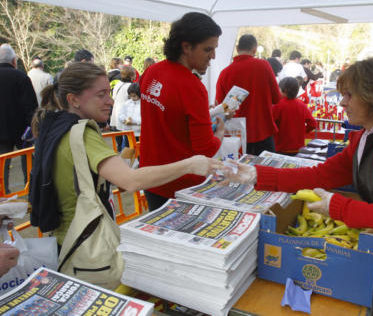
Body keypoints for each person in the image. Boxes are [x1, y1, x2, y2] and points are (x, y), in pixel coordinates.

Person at [224, 56, 373, 315]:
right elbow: (317, 175)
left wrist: (338, 207)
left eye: (349, 95)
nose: (342, 102)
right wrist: (255, 174)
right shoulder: (365, 137)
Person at [29, 62, 224, 246]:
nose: (110, 101)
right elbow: (130, 181)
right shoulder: (82, 135)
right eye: (101, 95)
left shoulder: (54, 124)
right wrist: (189, 165)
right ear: (73, 99)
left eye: (109, 93)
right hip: (85, 245)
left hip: (66, 237)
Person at [140, 12, 225, 211]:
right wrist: (219, 135)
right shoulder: (192, 87)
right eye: (208, 49)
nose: (213, 56)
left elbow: (164, 118)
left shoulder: (152, 71)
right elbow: (204, 149)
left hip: (150, 176)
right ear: (186, 47)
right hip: (181, 185)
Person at [216, 34, 281, 155]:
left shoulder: (225, 73)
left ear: (237, 48)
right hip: (263, 131)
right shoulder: (264, 65)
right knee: (266, 170)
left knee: (239, 171)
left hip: (236, 135)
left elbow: (221, 106)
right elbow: (277, 98)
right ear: (255, 49)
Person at [0, 44, 38, 195]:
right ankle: (31, 192)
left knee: (3, 162)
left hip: (1, 130)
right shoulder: (21, 77)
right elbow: (31, 106)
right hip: (23, 130)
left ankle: (3, 194)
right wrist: (33, 127)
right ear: (14, 61)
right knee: (28, 161)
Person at [273, 77, 316, 155]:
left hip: (281, 147)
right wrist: (301, 131)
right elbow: (313, 124)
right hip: (298, 148)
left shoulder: (278, 105)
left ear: (284, 90)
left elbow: (271, 124)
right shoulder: (302, 106)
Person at [110, 66, 136, 150]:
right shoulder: (131, 86)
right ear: (131, 76)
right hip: (125, 116)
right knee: (127, 143)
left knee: (120, 142)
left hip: (116, 114)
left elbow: (114, 97)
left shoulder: (118, 84)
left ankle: (121, 155)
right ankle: (125, 159)